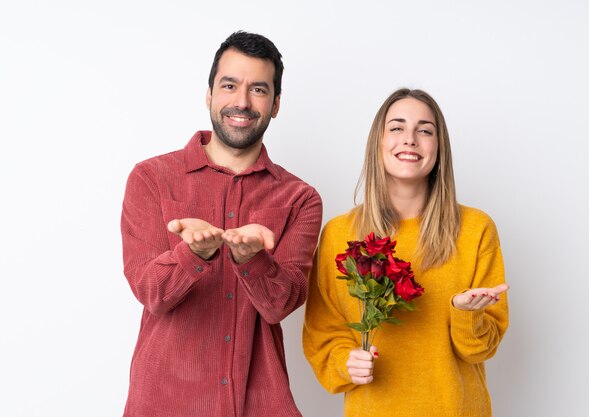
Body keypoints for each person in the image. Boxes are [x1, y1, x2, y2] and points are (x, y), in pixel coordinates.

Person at [121, 31, 322, 417]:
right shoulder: (151, 178)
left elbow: (281, 304)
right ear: (209, 94)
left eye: (258, 89)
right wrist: (193, 253)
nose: (242, 102)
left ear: (276, 104)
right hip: (165, 403)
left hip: (261, 404)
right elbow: (151, 292)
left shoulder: (300, 198)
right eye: (230, 85)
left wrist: (253, 261)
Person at [302, 88, 508, 417]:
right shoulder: (339, 234)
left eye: (425, 130)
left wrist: (466, 312)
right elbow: (323, 334)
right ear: (378, 143)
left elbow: (480, 349)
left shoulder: (475, 230)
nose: (410, 139)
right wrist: (346, 362)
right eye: (397, 128)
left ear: (439, 148)